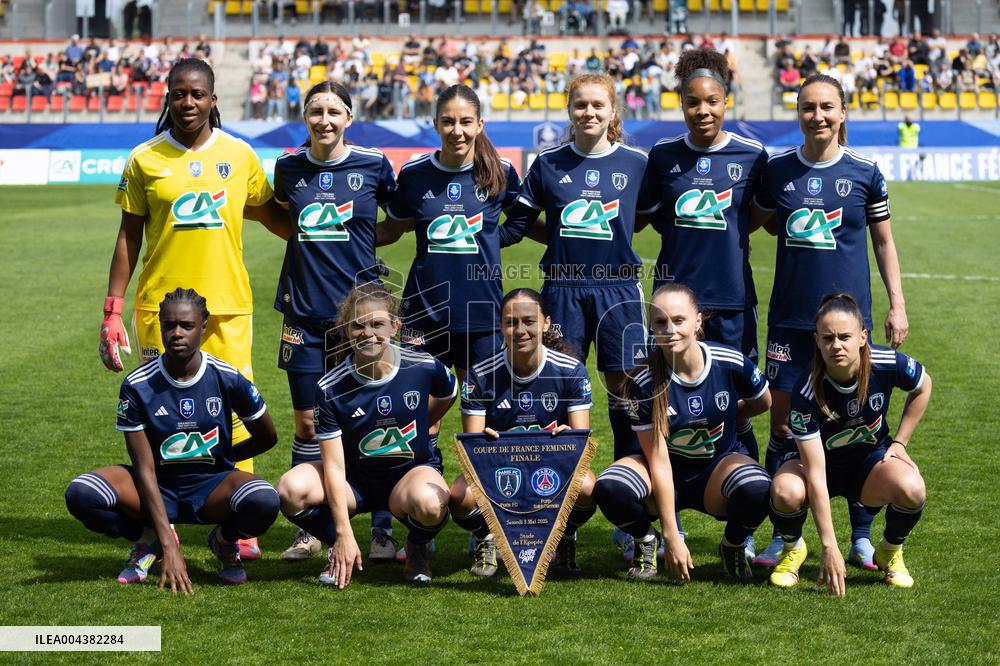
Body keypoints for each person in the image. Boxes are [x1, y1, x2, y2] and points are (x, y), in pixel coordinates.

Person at [98, 58, 288, 562]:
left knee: (241, 418)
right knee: (162, 417)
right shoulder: (145, 159)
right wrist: (112, 310)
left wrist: (340, 233)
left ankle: (236, 522)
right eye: (179, 94)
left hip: (228, 308)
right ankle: (163, 517)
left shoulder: (240, 155)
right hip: (162, 310)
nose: (188, 103)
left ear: (212, 100)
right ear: (167, 96)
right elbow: (128, 235)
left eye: (197, 94)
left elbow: (276, 219)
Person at [752, 73, 908, 569]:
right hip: (792, 322)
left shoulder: (866, 171)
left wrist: (896, 303)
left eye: (827, 107)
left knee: (857, 423)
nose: (817, 115)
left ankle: (862, 532)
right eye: (807, 107)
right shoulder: (777, 171)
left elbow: (883, 241)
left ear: (842, 113)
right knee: (783, 426)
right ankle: (787, 535)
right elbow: (761, 221)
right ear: (798, 114)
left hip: (846, 324)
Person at [643, 47, 769, 561]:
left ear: (725, 100)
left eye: (712, 101)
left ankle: (742, 513)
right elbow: (655, 219)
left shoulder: (750, 156)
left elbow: (755, 218)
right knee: (653, 405)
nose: (703, 111)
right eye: (693, 103)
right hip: (672, 312)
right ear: (681, 104)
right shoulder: (663, 157)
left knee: (739, 407)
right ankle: (649, 522)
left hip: (732, 302)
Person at [67, 289, 280, 591]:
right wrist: (169, 544)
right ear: (161, 326)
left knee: (265, 500)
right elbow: (143, 468)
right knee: (82, 494)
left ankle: (223, 541)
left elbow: (267, 436)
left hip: (211, 487)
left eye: (187, 325)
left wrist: (226, 457)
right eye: (169, 325)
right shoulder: (138, 384)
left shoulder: (227, 377)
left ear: (203, 326)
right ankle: (147, 540)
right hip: (154, 484)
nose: (177, 333)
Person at [502, 72, 659, 479]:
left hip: (618, 290)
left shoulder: (637, 163)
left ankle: (630, 490)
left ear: (612, 111)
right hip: (562, 289)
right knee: (555, 385)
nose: (588, 112)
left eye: (597, 105)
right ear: (569, 110)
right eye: (580, 105)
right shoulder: (548, 164)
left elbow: (641, 220)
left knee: (626, 393)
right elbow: (520, 223)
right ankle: (555, 494)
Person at [270, 81, 399, 563]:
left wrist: (364, 240)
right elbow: (282, 217)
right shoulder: (288, 168)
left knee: (372, 417)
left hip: (361, 318)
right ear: (305, 117)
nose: (324, 120)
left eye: (333, 112)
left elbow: (398, 220)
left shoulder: (373, 164)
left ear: (350, 116)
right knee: (307, 423)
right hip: (302, 315)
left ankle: (382, 526)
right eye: (315, 112)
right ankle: (316, 531)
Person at [276, 284, 458, 586]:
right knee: (290, 489)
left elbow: (449, 392)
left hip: (407, 476)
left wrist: (426, 421)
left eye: (377, 324)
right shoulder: (329, 387)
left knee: (431, 503)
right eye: (358, 325)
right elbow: (333, 466)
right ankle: (338, 544)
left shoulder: (423, 366)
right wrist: (343, 533)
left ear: (395, 326)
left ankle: (416, 545)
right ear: (346, 330)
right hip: (354, 482)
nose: (368, 333)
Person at [593, 284, 772, 581]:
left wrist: (733, 416)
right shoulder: (643, 382)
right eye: (661, 322)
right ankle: (645, 541)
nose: (670, 330)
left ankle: (733, 545)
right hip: (663, 472)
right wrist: (671, 536)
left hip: (715, 471)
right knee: (611, 487)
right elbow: (658, 460)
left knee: (758, 487)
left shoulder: (729, 361)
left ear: (698, 321)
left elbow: (763, 401)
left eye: (679, 320)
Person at [768, 293, 930, 594]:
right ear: (816, 341)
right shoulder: (806, 390)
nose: (836, 345)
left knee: (912, 487)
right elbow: (816, 473)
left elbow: (923, 385)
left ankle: (889, 551)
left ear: (862, 337)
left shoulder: (886, 362)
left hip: (869, 465)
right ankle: (794, 549)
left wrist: (900, 443)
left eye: (845, 336)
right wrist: (829, 546)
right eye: (828, 338)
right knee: (784, 490)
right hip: (820, 468)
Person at [377, 84, 519, 386]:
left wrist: (493, 239)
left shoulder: (501, 171)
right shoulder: (414, 174)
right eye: (448, 121)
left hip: (481, 313)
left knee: (480, 411)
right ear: (436, 124)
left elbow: (522, 221)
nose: (457, 131)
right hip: (423, 311)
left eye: (466, 121)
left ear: (479, 125)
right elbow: (390, 229)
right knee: (420, 409)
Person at [450, 288, 597, 577]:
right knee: (460, 495)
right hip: (500, 468)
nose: (520, 330)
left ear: (545, 323)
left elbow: (582, 447)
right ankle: (486, 537)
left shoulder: (570, 370)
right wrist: (486, 443)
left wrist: (568, 439)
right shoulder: (481, 374)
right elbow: (473, 455)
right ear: (501, 325)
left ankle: (565, 536)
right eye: (510, 322)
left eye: (529, 321)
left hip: (551, 467)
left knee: (586, 486)